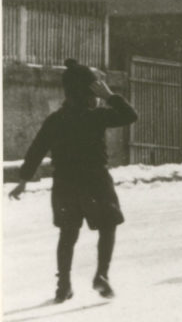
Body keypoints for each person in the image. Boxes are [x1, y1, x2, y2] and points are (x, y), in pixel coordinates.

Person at [8, 59, 138, 302]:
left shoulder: (56, 120)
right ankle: (101, 274)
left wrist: (23, 180)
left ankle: (63, 285)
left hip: (65, 183)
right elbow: (130, 115)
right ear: (91, 93)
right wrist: (110, 96)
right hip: (96, 180)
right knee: (108, 226)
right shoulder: (97, 116)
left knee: (68, 234)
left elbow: (36, 149)